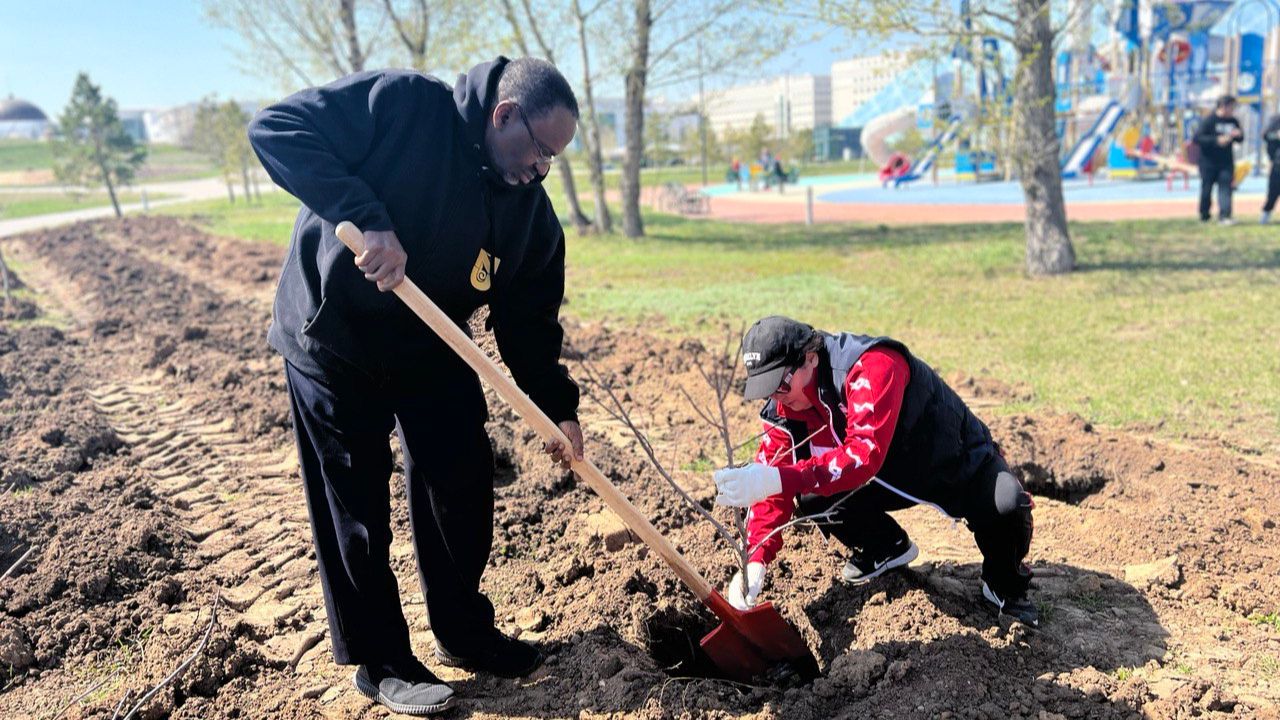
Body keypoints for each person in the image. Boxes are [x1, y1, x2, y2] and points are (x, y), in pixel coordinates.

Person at [248, 57, 585, 716]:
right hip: (334, 333)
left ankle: (463, 630)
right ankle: (381, 661)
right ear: (504, 115)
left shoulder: (529, 217)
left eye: (556, 159)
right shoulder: (404, 105)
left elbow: (529, 327)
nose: (542, 167)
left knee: (460, 473)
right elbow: (276, 129)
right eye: (540, 149)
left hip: (431, 340)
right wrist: (365, 216)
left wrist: (558, 411)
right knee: (356, 501)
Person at [712, 316, 1039, 626]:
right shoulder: (785, 409)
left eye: (781, 384)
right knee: (812, 496)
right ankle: (886, 546)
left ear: (810, 358)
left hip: (953, 463)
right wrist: (755, 559)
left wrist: (778, 478)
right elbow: (771, 484)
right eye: (767, 389)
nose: (777, 397)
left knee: (1008, 504)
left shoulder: (871, 365)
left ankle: (1002, 584)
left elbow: (863, 455)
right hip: (887, 477)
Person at [1195, 95, 1244, 225]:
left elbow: (1240, 138)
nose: (1233, 110)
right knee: (1206, 190)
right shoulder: (1209, 121)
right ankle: (1204, 215)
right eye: (1231, 107)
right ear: (1223, 106)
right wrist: (1216, 141)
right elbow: (1198, 138)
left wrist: (1238, 135)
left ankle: (1225, 215)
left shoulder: (1233, 121)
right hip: (1208, 162)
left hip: (1226, 162)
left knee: (1226, 188)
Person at [1261, 113, 1280, 224]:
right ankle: (1265, 214)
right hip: (1278, 164)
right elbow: (1266, 135)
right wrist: (1276, 135)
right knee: (1273, 192)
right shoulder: (1276, 120)